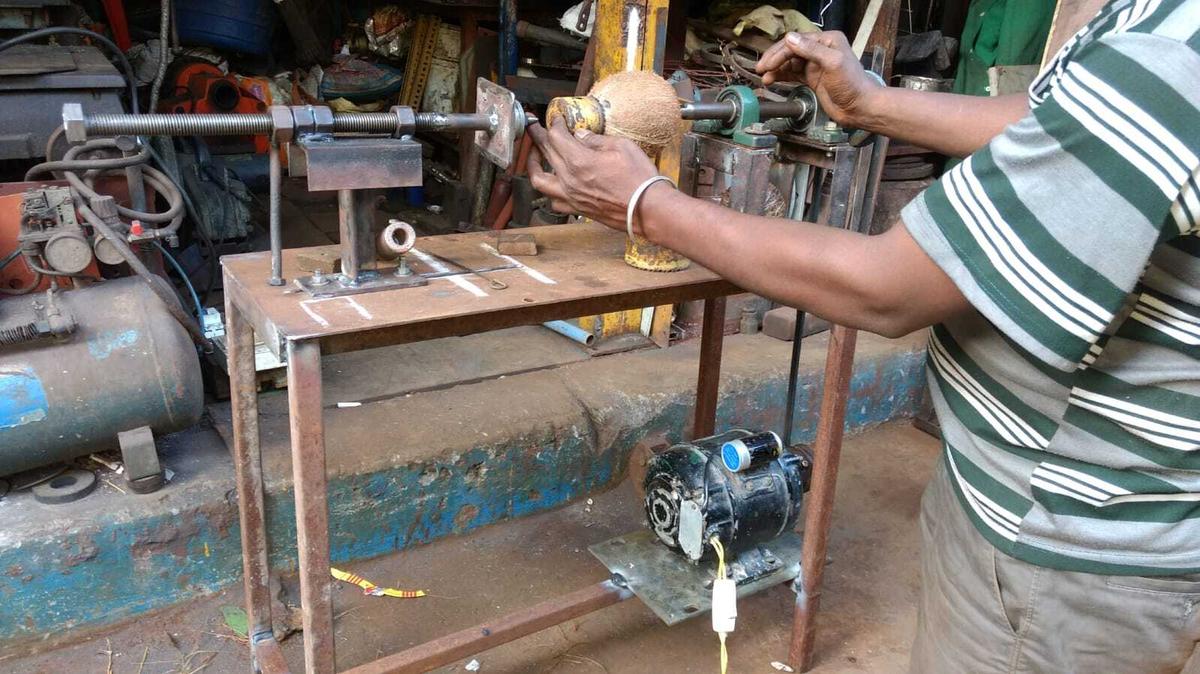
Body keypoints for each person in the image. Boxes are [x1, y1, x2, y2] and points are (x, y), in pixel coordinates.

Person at [525, 0, 1200, 671]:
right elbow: (1056, 124)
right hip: (1026, 495)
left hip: (1073, 548)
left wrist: (648, 205)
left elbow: (888, 288)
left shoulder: (1171, 55)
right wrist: (871, 104)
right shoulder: (1149, 20)